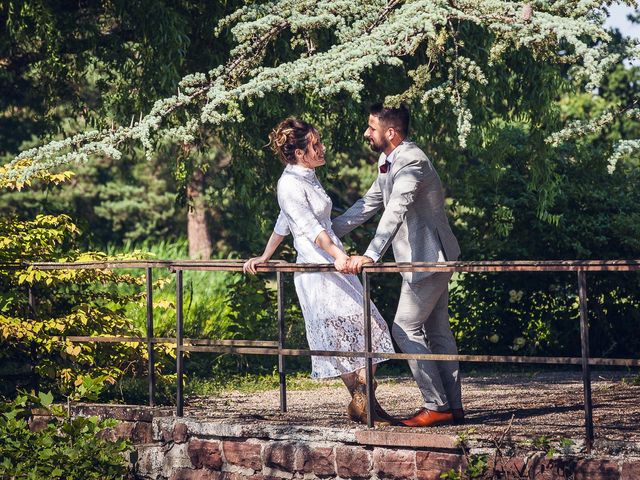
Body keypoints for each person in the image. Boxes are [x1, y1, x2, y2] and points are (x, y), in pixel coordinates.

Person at [243, 117, 395, 425]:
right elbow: (310, 229)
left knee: (372, 327)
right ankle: (365, 403)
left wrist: (266, 253)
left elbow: (284, 222)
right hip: (317, 269)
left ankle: (363, 400)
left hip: (332, 264)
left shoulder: (308, 176)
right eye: (315, 144)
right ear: (300, 153)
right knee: (339, 338)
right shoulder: (288, 184)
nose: (321, 147)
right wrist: (340, 255)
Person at [332, 103, 464, 427]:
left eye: (371, 128)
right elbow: (369, 204)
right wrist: (323, 234)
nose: (366, 133)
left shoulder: (412, 160)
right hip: (421, 260)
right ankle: (452, 408)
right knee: (437, 331)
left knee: (404, 329)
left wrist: (371, 254)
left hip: (428, 258)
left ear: (390, 132)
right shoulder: (387, 161)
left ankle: (437, 405)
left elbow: (396, 209)